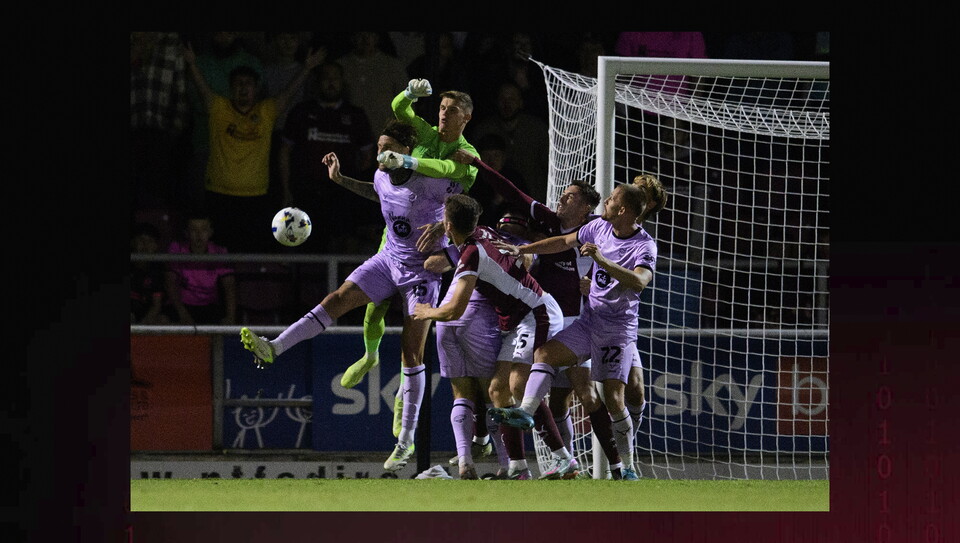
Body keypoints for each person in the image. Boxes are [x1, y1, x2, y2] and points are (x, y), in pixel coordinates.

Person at [239, 120, 464, 472]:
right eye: (379, 146)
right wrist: (341, 179)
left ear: (406, 151)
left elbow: (469, 210)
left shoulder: (431, 183)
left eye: (387, 148)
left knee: (411, 351)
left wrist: (445, 234)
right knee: (337, 299)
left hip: (422, 270)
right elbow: (379, 193)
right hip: (388, 259)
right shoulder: (382, 175)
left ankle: (405, 441)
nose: (380, 153)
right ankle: (274, 348)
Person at [489, 179, 661, 481]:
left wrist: (600, 260)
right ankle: (526, 412)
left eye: (611, 199)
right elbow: (563, 241)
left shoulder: (644, 245)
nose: (605, 201)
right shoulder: (599, 227)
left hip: (617, 330)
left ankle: (627, 466)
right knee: (544, 354)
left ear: (622, 209)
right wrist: (522, 248)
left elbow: (639, 281)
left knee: (614, 399)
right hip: (589, 321)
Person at [340, 78, 479, 434]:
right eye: (441, 108)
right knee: (375, 306)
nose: (443, 114)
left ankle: (404, 398)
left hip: (430, 246)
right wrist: (409, 94)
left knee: (413, 330)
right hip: (396, 237)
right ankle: (370, 356)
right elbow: (399, 109)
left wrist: (443, 223)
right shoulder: (427, 134)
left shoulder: (468, 156)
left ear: (466, 117)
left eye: (451, 110)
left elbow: (449, 181)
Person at [458, 152, 607, 476]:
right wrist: (478, 164)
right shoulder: (548, 222)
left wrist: (597, 284)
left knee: (579, 394)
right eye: (562, 194)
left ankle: (616, 464)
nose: (560, 199)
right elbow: (512, 192)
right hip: (537, 315)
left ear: (585, 207)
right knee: (505, 390)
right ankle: (523, 465)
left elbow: (619, 263)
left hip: (575, 322)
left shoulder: (595, 230)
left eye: (569, 197)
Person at [412, 194, 573, 480]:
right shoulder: (483, 231)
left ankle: (564, 460)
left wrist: (427, 312)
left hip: (537, 313)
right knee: (498, 391)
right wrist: (444, 225)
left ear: (449, 225)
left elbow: (455, 310)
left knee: (519, 387)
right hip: (517, 320)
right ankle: (518, 468)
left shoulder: (471, 255)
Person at [182, 41, 325, 253]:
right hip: (219, 193)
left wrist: (306, 68)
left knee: (251, 250)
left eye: (248, 84)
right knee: (220, 250)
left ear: (256, 88)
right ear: (231, 88)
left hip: (256, 195)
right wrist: (192, 64)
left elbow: (288, 93)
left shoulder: (266, 111)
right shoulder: (218, 108)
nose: (243, 88)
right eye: (238, 84)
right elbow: (202, 88)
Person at [428, 208, 540, 479]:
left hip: (444, 319)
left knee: (461, 394)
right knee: (495, 393)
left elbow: (432, 264)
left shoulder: (475, 241)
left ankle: (466, 462)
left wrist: (445, 240)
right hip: (476, 318)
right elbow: (527, 261)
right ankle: (508, 464)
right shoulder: (515, 245)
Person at [278, 60, 377, 253]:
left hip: (342, 195)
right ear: (317, 82)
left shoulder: (355, 115)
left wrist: (353, 188)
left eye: (335, 78)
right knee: (306, 246)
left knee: (343, 243)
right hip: (307, 192)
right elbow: (284, 151)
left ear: (342, 82)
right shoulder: (301, 112)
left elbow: (367, 156)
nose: (331, 83)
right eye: (326, 78)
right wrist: (286, 189)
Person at [130, 32, 189, 213]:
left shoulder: (171, 42)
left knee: (156, 192)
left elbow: (180, 91)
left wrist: (174, 131)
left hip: (160, 129)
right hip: (135, 126)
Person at [468, 81, 549, 203]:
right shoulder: (484, 130)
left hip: (535, 200)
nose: (507, 104)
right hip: (492, 202)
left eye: (512, 99)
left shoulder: (537, 129)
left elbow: (549, 166)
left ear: (521, 103)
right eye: (502, 99)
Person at [164, 211, 237, 325]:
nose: (199, 234)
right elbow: (170, 282)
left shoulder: (219, 252)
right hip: (181, 306)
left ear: (210, 232)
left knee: (223, 328)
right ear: (186, 233)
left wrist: (230, 317)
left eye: (204, 229)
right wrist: (183, 314)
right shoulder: (177, 248)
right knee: (162, 321)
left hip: (209, 306)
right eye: (193, 229)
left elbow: (229, 286)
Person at [336, 32, 410, 140]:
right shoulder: (340, 66)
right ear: (353, 38)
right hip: (349, 134)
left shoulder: (392, 66)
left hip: (384, 134)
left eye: (370, 34)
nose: (365, 39)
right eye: (360, 34)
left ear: (377, 38)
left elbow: (405, 102)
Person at [130, 222, 170, 325]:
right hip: (132, 310)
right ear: (133, 242)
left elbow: (156, 305)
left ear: (156, 246)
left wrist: (141, 327)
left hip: (150, 312)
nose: (145, 245)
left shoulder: (158, 269)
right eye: (141, 240)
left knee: (163, 320)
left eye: (150, 241)